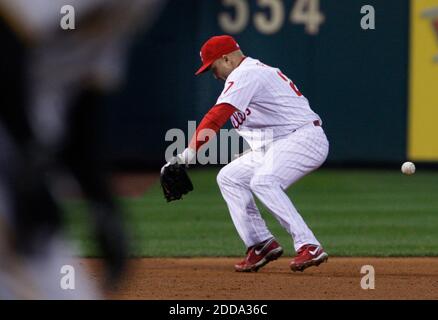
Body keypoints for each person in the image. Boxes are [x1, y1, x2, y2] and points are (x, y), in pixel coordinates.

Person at [167, 35, 329, 272]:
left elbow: (216, 117)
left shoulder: (246, 73)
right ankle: (260, 243)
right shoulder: (243, 76)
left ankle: (309, 244)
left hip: (302, 138)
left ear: (227, 58)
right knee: (230, 177)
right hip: (276, 145)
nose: (213, 75)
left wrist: (187, 155)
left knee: (264, 180)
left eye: (213, 68)